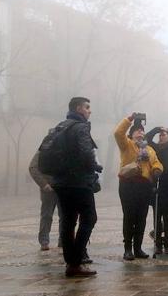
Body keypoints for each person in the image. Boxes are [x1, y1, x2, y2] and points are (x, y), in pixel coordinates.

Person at [52, 97, 102, 277]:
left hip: (61, 183)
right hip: (79, 183)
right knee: (89, 218)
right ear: (79, 109)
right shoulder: (81, 127)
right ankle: (75, 261)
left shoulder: (60, 126)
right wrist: (95, 167)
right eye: (87, 107)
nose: (90, 111)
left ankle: (70, 263)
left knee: (68, 222)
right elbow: (86, 153)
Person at [115, 114, 163, 261]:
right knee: (129, 217)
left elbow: (156, 162)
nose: (140, 133)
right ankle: (127, 249)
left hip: (144, 186)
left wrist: (156, 169)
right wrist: (129, 119)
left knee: (141, 218)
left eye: (142, 131)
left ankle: (138, 248)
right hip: (128, 185)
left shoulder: (149, 149)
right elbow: (118, 133)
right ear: (131, 133)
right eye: (137, 130)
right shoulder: (127, 144)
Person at [145, 126, 168, 255]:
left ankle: (167, 243)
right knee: (157, 216)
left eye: (164, 135)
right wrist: (157, 129)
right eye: (160, 135)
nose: (161, 136)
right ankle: (158, 243)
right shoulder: (154, 148)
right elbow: (147, 138)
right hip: (157, 185)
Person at [29, 151, 63, 251]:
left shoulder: (65, 147)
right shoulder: (44, 150)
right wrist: (44, 184)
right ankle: (44, 241)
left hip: (63, 187)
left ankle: (63, 240)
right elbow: (33, 168)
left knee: (64, 216)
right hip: (49, 189)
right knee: (47, 215)